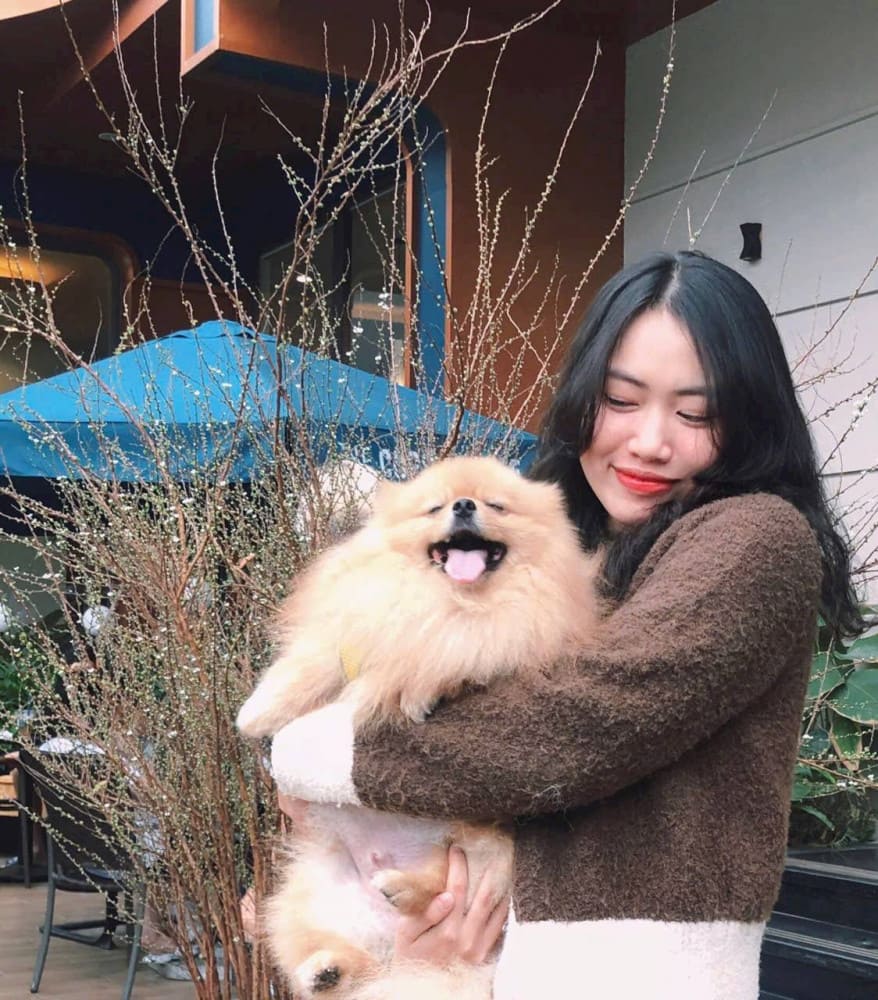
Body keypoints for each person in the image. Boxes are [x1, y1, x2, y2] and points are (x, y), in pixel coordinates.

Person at [268, 250, 863, 999]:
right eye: (620, 401)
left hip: (640, 971)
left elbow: (579, 723)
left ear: (749, 418)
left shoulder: (753, 536)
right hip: (499, 951)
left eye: (695, 413)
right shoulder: (573, 544)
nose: (650, 441)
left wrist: (312, 749)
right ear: (582, 397)